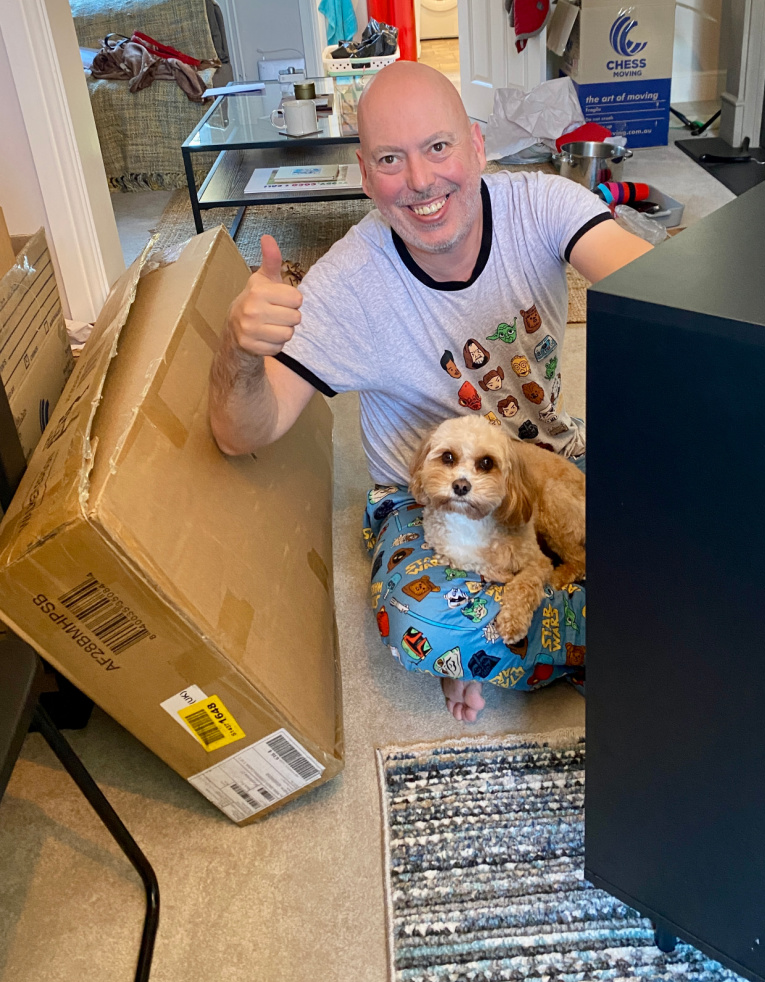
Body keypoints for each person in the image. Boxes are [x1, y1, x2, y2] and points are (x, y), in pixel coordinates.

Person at [209, 61, 652, 722]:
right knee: (421, 620)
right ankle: (623, 628)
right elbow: (238, 432)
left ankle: (524, 642)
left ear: (477, 146)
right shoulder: (345, 285)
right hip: (424, 502)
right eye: (391, 159)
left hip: (549, 458)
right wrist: (240, 352)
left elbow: (659, 296)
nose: (419, 182)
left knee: (702, 512)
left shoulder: (546, 205)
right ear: (364, 173)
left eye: (438, 148)